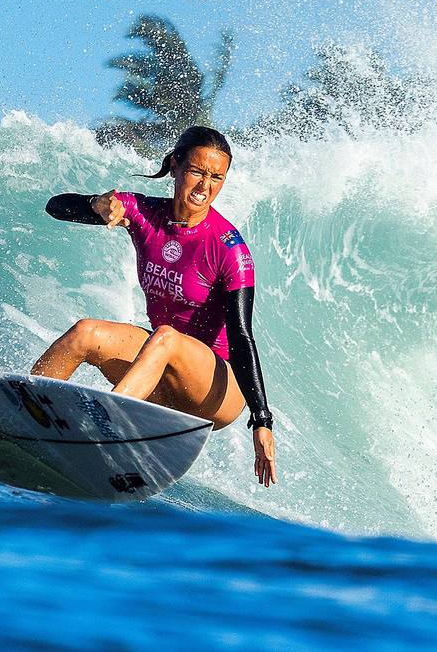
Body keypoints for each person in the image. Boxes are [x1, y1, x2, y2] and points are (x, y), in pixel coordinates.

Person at [33, 126, 277, 487]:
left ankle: (107, 433)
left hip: (215, 388)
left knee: (166, 337)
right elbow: (55, 207)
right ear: (175, 166)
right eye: (196, 171)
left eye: (216, 177)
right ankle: (29, 408)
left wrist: (262, 420)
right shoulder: (144, 213)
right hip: (158, 369)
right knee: (86, 332)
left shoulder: (229, 248)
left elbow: (242, 336)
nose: (204, 186)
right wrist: (96, 205)